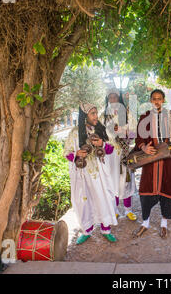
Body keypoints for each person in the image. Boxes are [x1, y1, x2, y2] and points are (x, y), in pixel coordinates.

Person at [132, 89, 171, 239]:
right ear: (150, 100)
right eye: (154, 98)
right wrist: (144, 148)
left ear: (163, 100)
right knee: (146, 190)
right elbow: (139, 139)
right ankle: (145, 222)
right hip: (150, 161)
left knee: (166, 190)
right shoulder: (144, 117)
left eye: (159, 98)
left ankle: (164, 224)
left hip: (168, 162)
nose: (156, 101)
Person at [64, 102, 118, 244]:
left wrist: (102, 144)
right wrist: (76, 154)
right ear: (85, 116)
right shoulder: (74, 133)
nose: (96, 116)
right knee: (84, 202)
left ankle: (106, 229)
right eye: (92, 113)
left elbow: (111, 148)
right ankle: (87, 230)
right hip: (82, 175)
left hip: (99, 174)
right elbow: (66, 153)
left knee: (103, 199)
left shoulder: (100, 129)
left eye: (96, 112)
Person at [100, 88, 137, 221]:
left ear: (119, 98)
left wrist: (122, 131)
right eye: (110, 97)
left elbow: (134, 132)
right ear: (107, 99)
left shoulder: (127, 114)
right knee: (112, 181)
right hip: (110, 154)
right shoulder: (103, 116)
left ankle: (128, 210)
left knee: (126, 181)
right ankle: (114, 210)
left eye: (115, 97)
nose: (113, 99)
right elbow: (99, 134)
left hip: (124, 152)